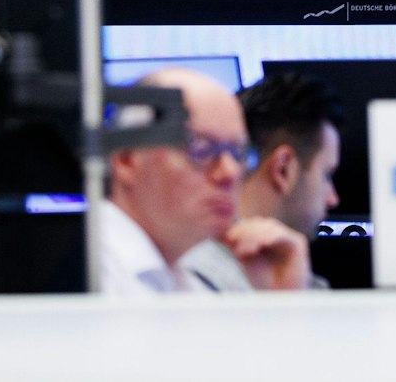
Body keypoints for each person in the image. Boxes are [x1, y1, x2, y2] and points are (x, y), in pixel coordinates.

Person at [95, 66, 310, 295]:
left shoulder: (187, 284)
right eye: (202, 148)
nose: (230, 172)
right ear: (127, 158)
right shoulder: (84, 267)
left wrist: (279, 298)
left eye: (238, 153)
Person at [235, 73, 345, 287]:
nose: (333, 199)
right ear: (283, 169)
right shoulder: (206, 289)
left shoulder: (186, 269)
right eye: (326, 175)